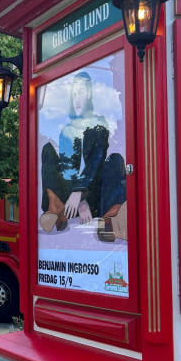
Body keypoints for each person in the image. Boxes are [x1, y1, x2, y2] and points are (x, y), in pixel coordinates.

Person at [39, 72, 127, 240]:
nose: (76, 99)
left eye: (80, 93)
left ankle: (110, 218)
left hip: (93, 190)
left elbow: (96, 161)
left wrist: (81, 193)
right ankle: (55, 206)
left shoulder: (99, 124)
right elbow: (68, 167)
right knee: (47, 150)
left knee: (115, 159)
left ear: (88, 94)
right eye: (73, 95)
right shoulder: (67, 131)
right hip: (69, 195)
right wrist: (77, 200)